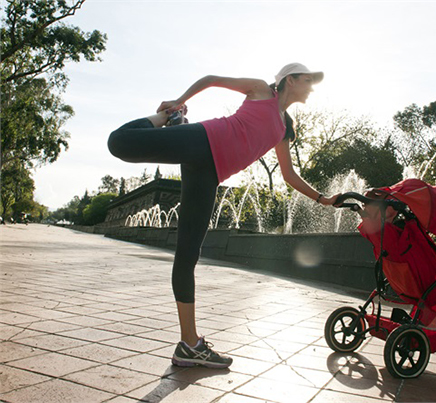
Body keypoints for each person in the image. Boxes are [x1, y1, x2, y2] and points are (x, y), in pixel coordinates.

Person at [108, 63, 339, 369]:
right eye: (308, 80)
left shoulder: (284, 127)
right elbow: (212, 79)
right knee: (120, 142)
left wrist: (323, 199)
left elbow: (289, 175)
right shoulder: (261, 90)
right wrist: (177, 102)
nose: (311, 86)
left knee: (188, 255)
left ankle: (189, 345)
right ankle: (168, 119)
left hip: (209, 174)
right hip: (203, 139)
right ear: (290, 80)